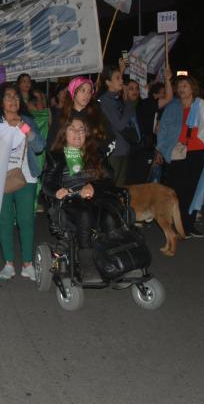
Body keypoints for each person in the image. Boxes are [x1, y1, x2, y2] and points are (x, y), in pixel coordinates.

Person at [43, 117, 121, 283]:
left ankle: (118, 259)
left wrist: (93, 186)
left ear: (86, 133)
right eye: (72, 129)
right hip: (71, 202)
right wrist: (57, 191)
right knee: (84, 211)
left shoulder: (96, 154)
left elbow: (109, 178)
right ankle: (87, 261)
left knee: (110, 214)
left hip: (96, 198)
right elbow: (47, 183)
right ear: (65, 133)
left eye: (81, 129)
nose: (77, 133)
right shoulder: (56, 156)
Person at [0, 84, 45, 281]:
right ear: (1, 101)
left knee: (26, 220)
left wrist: (22, 126)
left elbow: (39, 146)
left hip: (26, 177)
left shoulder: (26, 121)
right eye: (9, 97)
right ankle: (8, 264)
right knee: (4, 220)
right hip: (0, 179)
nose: (13, 101)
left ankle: (27, 264)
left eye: (16, 97)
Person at [156, 75, 204, 238]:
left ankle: (189, 225)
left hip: (199, 153)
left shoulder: (201, 106)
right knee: (177, 191)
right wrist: (161, 150)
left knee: (194, 190)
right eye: (179, 86)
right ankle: (177, 225)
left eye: (185, 85)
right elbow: (162, 130)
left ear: (192, 88)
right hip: (178, 152)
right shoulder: (172, 107)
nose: (181, 89)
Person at [47, 76, 112, 155]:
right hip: (69, 162)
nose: (87, 95)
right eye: (83, 90)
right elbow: (51, 142)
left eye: (89, 91)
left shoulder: (96, 114)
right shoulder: (62, 115)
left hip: (91, 162)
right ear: (73, 92)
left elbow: (109, 136)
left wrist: (101, 153)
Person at [98, 61, 138, 186]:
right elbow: (119, 124)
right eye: (117, 78)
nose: (122, 81)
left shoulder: (116, 99)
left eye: (121, 78)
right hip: (114, 152)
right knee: (112, 187)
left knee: (120, 187)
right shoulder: (105, 101)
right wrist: (129, 104)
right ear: (108, 82)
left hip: (123, 149)